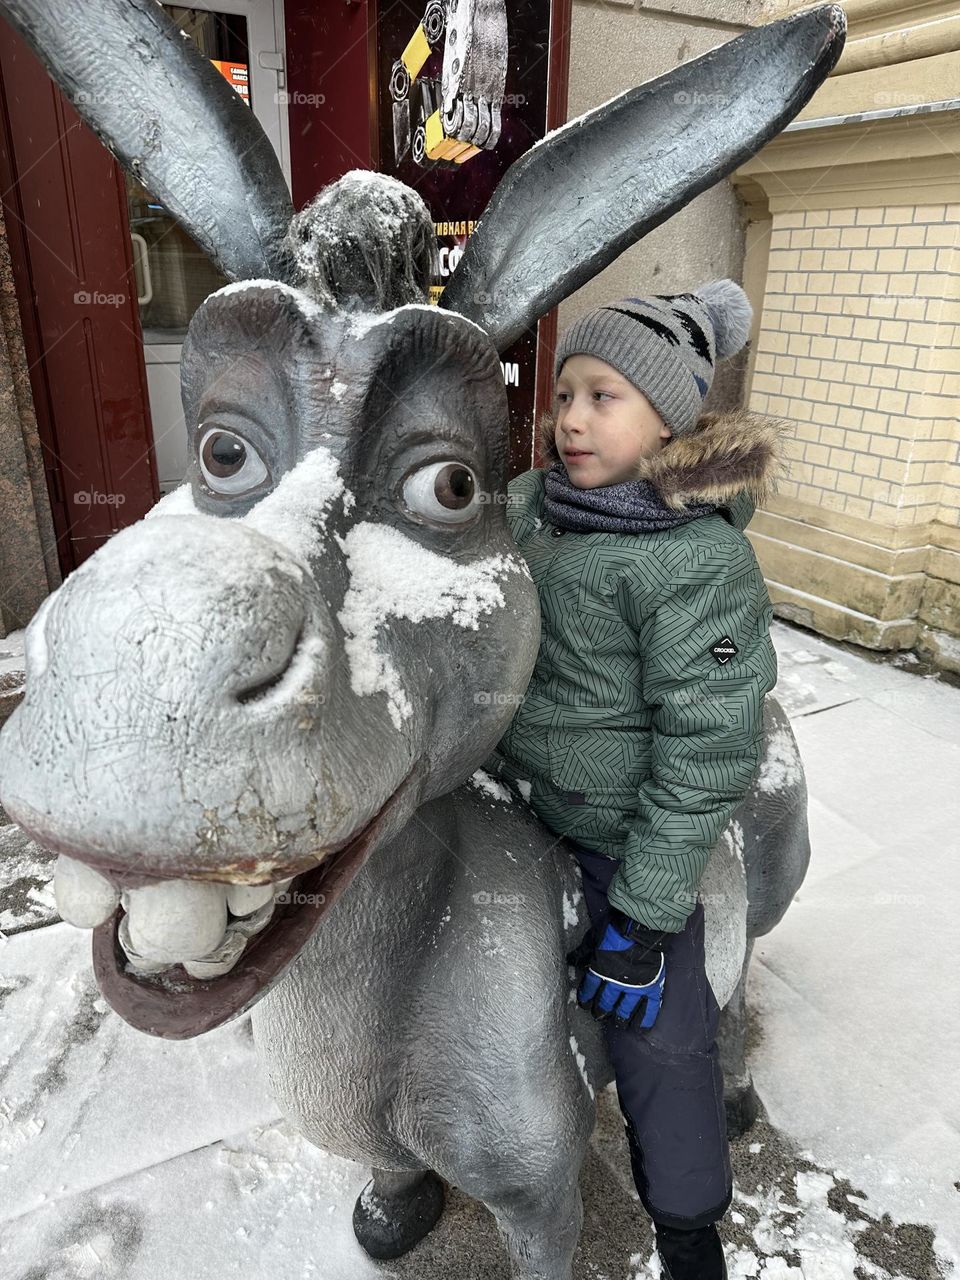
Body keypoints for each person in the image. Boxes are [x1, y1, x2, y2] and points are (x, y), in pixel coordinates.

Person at [485, 281, 782, 1280]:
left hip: (625, 837)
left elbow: (706, 751)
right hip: (513, 797)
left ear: (672, 418)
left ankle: (689, 1222)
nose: (570, 417)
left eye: (602, 395)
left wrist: (647, 919)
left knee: (660, 1034)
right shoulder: (531, 509)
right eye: (564, 392)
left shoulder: (696, 562)